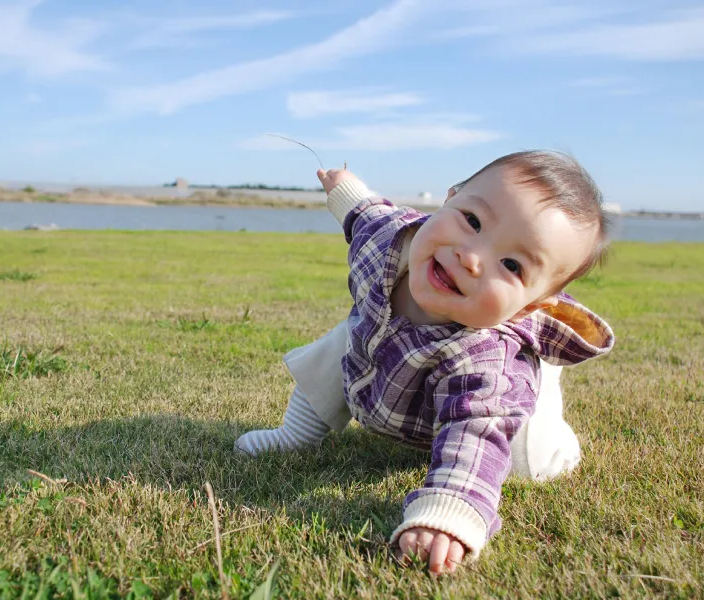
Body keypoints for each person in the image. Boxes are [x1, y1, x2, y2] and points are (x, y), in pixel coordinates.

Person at [235, 150, 615, 574]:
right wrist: (342, 186)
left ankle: (544, 388)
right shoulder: (392, 243)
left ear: (528, 306)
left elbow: (477, 436)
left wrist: (448, 516)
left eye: (511, 264)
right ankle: (296, 433)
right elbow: (365, 213)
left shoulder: (487, 365)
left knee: (530, 461)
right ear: (450, 198)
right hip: (380, 351)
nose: (470, 257)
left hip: (500, 409)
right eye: (472, 220)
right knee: (340, 340)